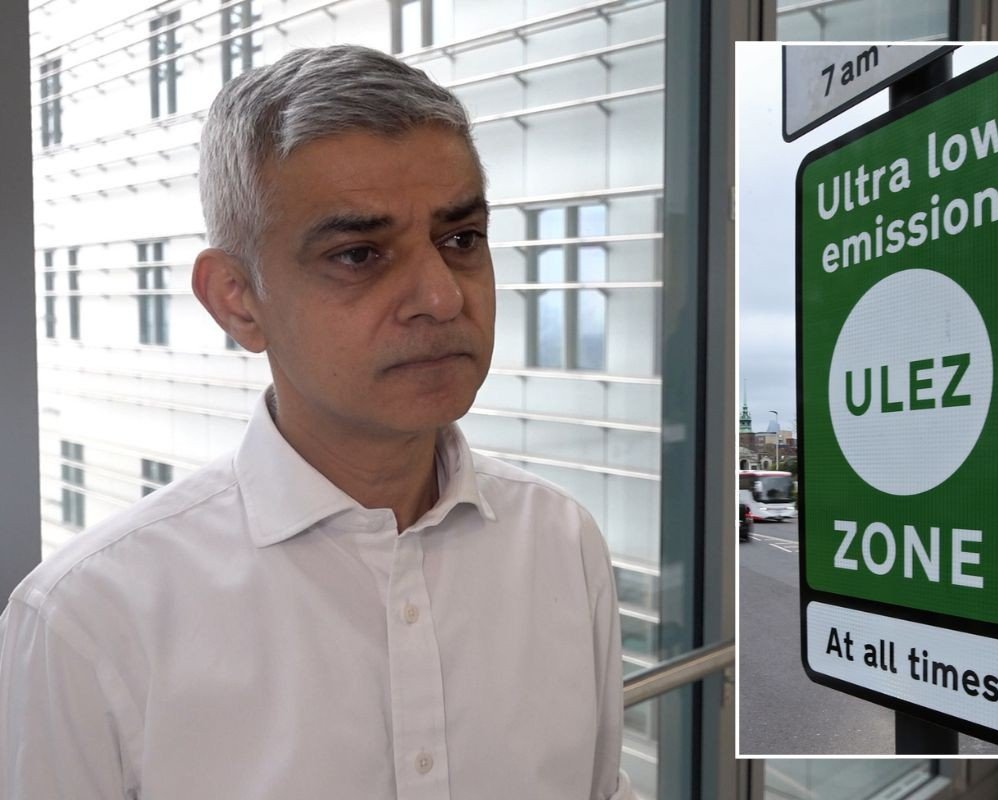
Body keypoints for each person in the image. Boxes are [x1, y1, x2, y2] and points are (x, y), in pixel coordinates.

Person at [0, 45, 631, 799]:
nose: (440, 297)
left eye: (461, 240)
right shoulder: (90, 620)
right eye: (359, 255)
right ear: (237, 300)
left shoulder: (561, 543)